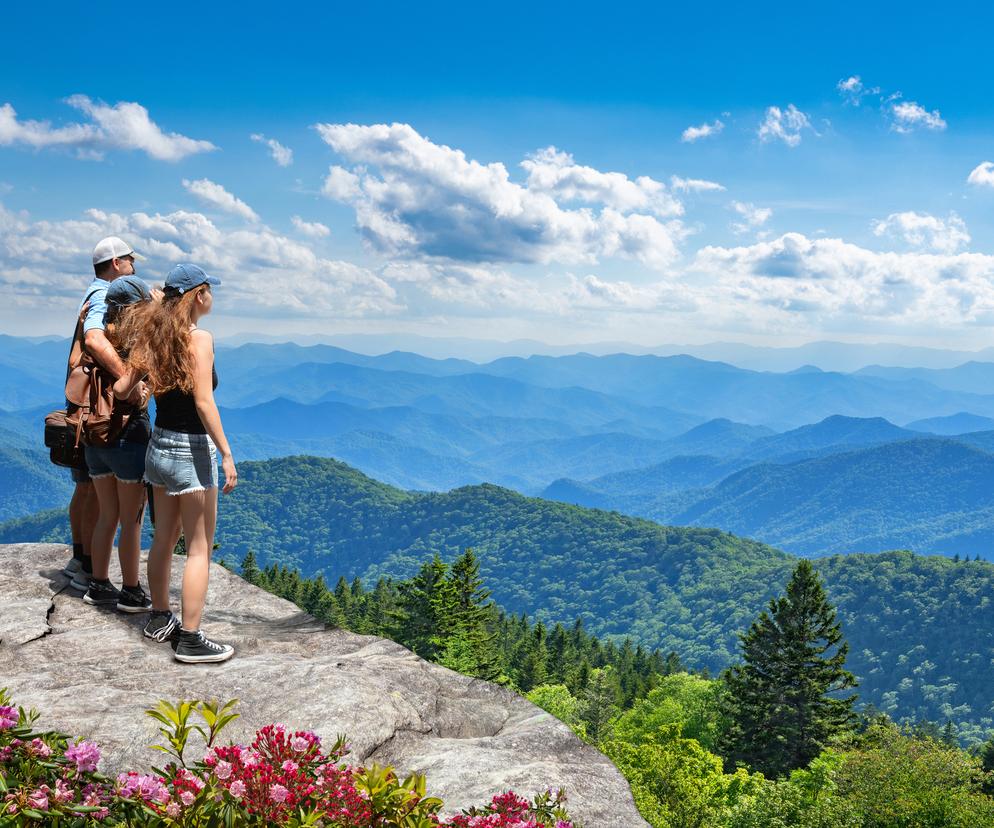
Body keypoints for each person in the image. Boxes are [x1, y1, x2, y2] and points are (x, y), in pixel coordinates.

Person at [115, 263, 237, 663]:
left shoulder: (153, 335)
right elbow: (204, 401)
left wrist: (147, 387)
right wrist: (226, 452)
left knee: (163, 539)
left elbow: (120, 388)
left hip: (159, 447)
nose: (212, 297)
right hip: (191, 451)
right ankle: (190, 638)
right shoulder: (200, 339)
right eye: (210, 291)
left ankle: (159, 617)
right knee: (199, 548)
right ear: (198, 295)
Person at [66, 237, 144, 592]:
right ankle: (99, 575)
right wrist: (128, 379)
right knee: (113, 505)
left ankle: (83, 564)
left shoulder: (90, 293)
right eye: (129, 260)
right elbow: (96, 340)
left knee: (89, 488)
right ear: (115, 262)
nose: (133, 265)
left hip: (85, 408)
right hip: (109, 414)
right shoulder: (103, 296)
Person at [81, 275, 155, 612]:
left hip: (94, 435)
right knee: (131, 520)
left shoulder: (97, 339)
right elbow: (135, 393)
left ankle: (97, 584)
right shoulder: (134, 342)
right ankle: (130, 590)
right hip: (128, 437)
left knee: (106, 515)